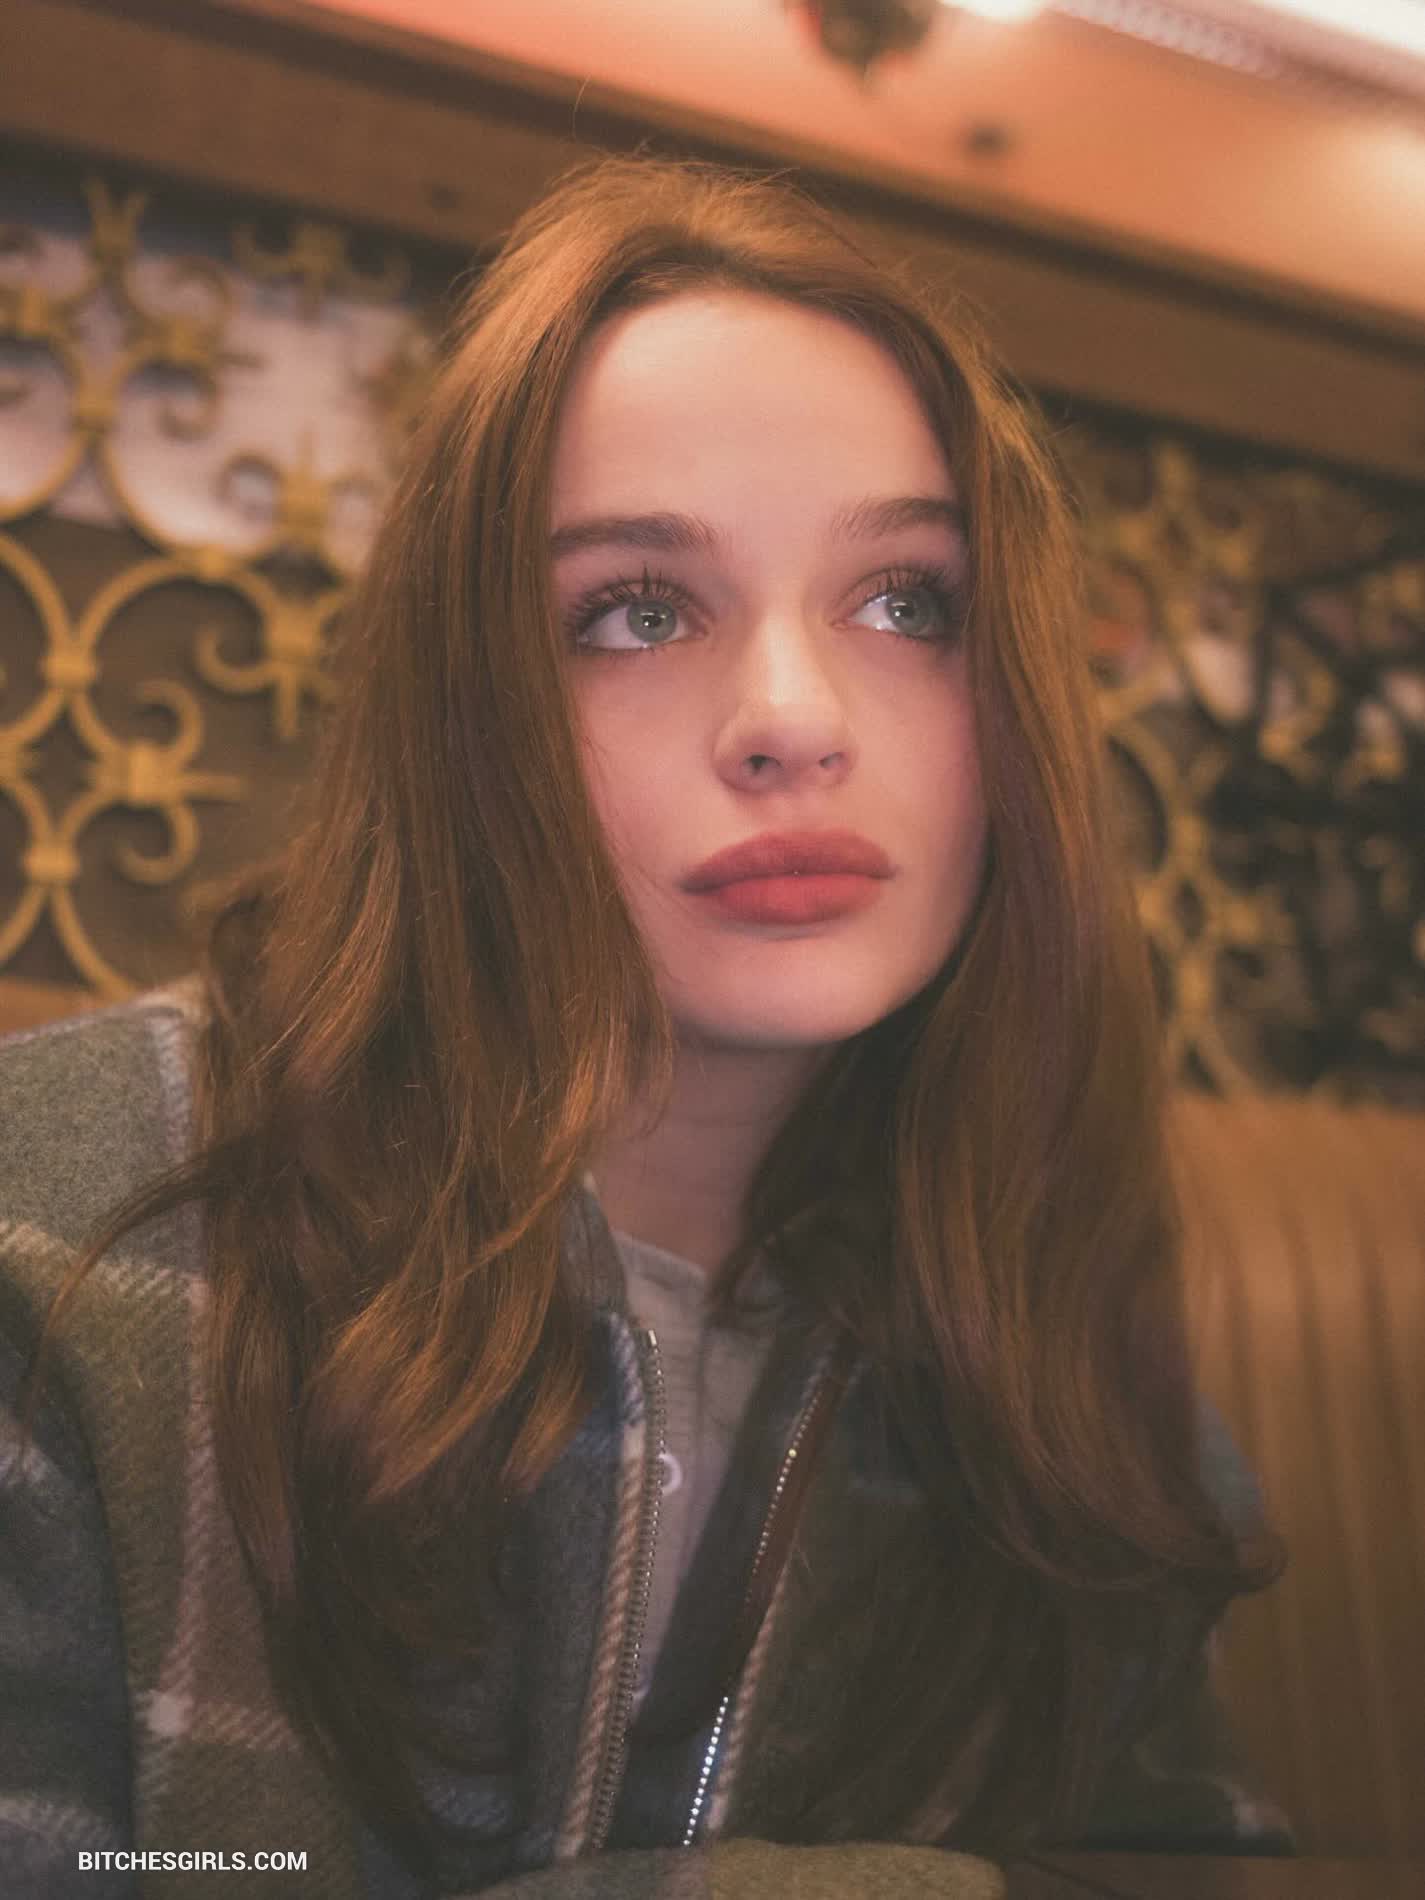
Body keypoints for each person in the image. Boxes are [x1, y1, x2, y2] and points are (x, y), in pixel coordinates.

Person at [0, 153, 1295, 1897]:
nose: (791, 719)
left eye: (907, 601)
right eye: (634, 612)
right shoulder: (54, 1233)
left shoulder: (1053, 1338)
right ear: (465, 712)